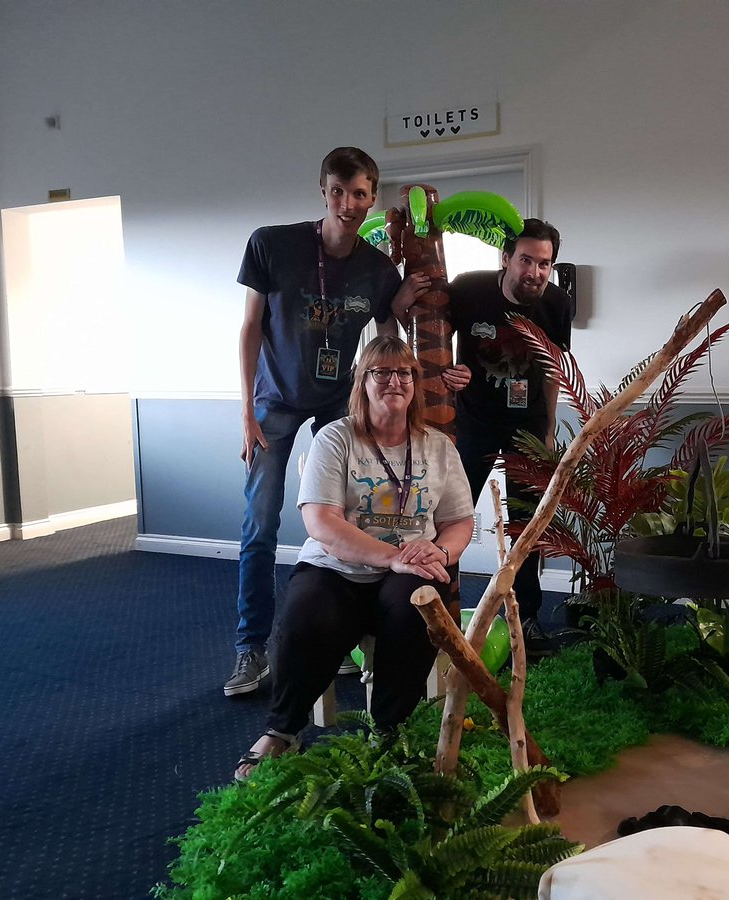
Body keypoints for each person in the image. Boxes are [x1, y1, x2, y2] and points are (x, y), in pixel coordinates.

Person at [227, 146, 423, 697]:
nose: (348, 204)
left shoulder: (377, 268)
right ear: (323, 191)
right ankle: (251, 649)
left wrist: (403, 303)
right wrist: (245, 409)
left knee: (352, 516)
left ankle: (340, 635)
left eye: (360, 193)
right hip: (275, 401)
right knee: (260, 524)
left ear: (372, 198)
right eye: (338, 191)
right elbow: (249, 329)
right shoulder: (272, 244)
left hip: (341, 401)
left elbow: (390, 342)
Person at [234, 336, 475, 779]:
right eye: (381, 372)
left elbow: (460, 520)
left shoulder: (438, 446)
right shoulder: (336, 437)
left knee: (413, 609)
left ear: (415, 384)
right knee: (306, 612)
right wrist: (391, 556)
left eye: (404, 373)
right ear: (362, 382)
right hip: (338, 566)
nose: (394, 381)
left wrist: (440, 550)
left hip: (413, 565)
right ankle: (283, 730)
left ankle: (387, 730)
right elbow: (321, 523)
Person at [394, 219, 572, 653]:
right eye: (526, 260)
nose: (534, 271)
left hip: (527, 430)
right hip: (470, 425)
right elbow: (424, 329)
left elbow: (553, 371)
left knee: (526, 528)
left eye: (544, 264)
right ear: (506, 258)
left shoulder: (557, 304)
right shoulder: (470, 290)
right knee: (447, 520)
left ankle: (527, 617)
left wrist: (547, 433)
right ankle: (432, 608)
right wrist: (403, 308)